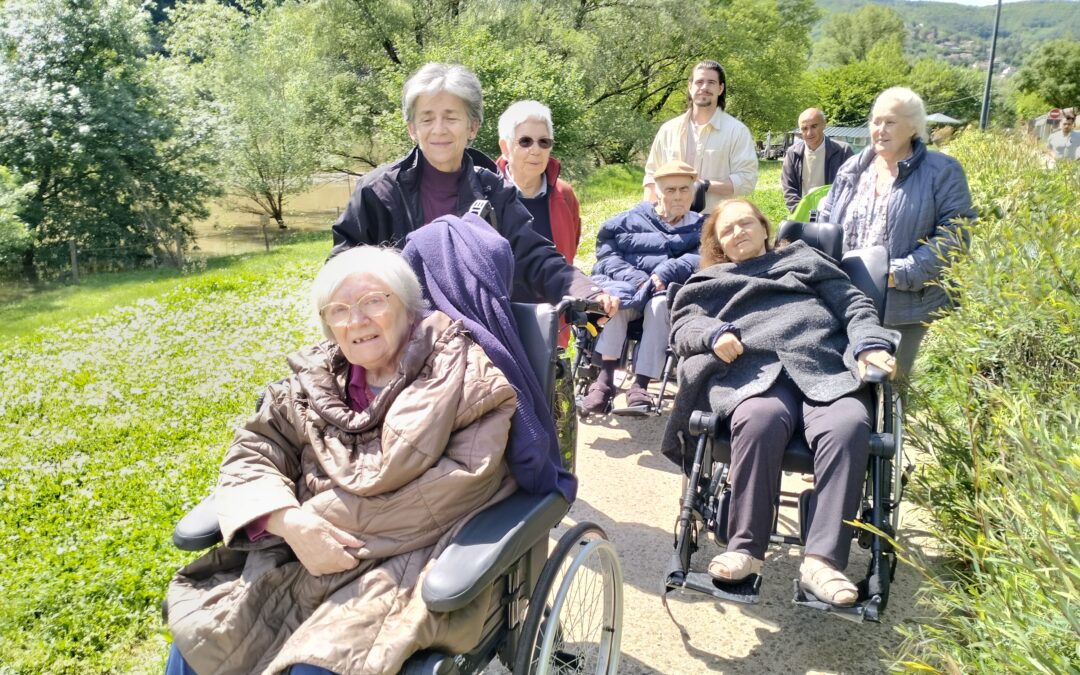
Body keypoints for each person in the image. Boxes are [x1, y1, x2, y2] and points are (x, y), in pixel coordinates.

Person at [165, 247, 519, 675]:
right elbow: (253, 451)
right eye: (339, 310)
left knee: (318, 665)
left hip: (408, 562)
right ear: (327, 324)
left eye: (373, 301)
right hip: (299, 549)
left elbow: (462, 484)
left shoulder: (466, 376)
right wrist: (288, 523)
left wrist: (319, 523)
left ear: (407, 307)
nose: (356, 321)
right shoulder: (309, 383)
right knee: (202, 641)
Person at [661, 199, 899, 607]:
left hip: (822, 363)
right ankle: (745, 551)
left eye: (746, 223)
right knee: (759, 419)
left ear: (764, 226)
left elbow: (854, 304)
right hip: (753, 372)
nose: (739, 232)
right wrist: (714, 334)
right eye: (728, 230)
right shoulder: (709, 281)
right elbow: (684, 325)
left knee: (848, 424)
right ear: (718, 245)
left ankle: (822, 563)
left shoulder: (805, 260)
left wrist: (869, 345)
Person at [330, 62, 617, 314]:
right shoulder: (378, 192)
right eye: (427, 118)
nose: (439, 129)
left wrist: (587, 291)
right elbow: (343, 266)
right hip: (400, 335)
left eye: (451, 117)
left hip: (478, 333)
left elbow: (534, 256)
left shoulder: (494, 191)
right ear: (412, 129)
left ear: (473, 127)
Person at [819, 86, 975, 379]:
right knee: (850, 381)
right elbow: (827, 224)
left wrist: (897, 273)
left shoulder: (941, 171)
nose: (880, 129)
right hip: (848, 300)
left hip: (904, 303)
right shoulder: (853, 168)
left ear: (914, 126)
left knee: (892, 385)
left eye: (890, 122)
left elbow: (957, 232)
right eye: (875, 121)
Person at [579, 160, 703, 414]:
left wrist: (665, 272)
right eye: (670, 190)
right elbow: (608, 255)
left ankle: (641, 384)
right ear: (657, 191)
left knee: (659, 305)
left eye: (684, 189)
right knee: (615, 302)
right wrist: (637, 280)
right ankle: (605, 380)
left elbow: (703, 256)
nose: (678, 196)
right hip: (631, 288)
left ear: (694, 191)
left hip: (666, 294)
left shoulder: (703, 225)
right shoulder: (629, 220)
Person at [642, 60, 758, 214]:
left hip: (714, 222)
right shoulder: (668, 130)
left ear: (720, 88)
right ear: (690, 87)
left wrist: (705, 185)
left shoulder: (737, 131)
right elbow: (651, 176)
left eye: (711, 82)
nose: (704, 87)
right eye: (699, 82)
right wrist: (648, 215)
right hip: (669, 221)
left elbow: (746, 180)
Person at [496, 100, 581, 268]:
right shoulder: (488, 196)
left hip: (558, 292)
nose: (536, 150)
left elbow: (572, 248)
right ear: (505, 147)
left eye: (544, 142)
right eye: (525, 141)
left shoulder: (564, 194)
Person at [781, 108, 853, 212]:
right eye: (804, 128)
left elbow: (851, 185)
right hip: (802, 214)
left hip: (833, 213)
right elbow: (789, 188)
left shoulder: (843, 151)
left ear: (824, 125)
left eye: (814, 126)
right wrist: (800, 212)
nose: (809, 133)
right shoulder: (793, 153)